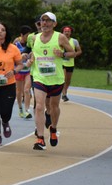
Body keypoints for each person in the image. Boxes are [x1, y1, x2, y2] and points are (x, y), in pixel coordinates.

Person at [26, 12, 75, 151]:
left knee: (54, 107)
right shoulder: (34, 38)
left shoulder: (60, 37)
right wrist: (30, 59)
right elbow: (34, 53)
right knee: (39, 106)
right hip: (39, 77)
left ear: (54, 24)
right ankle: (40, 138)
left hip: (56, 78)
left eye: (48, 21)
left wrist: (63, 54)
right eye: (43, 20)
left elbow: (72, 52)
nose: (45, 23)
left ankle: (53, 128)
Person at [14, 25, 33, 119]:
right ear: (21, 35)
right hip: (18, 71)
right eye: (27, 36)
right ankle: (20, 109)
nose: (28, 38)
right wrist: (21, 57)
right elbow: (12, 58)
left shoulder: (32, 44)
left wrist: (31, 58)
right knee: (19, 91)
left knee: (26, 90)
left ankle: (27, 110)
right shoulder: (16, 45)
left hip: (28, 71)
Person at [61, 26, 82, 102]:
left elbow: (79, 51)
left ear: (70, 32)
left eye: (68, 31)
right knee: (63, 78)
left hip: (70, 63)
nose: (66, 33)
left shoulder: (74, 41)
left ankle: (65, 91)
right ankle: (63, 94)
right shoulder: (59, 40)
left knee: (68, 80)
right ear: (62, 32)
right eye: (65, 31)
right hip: (62, 62)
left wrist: (74, 54)